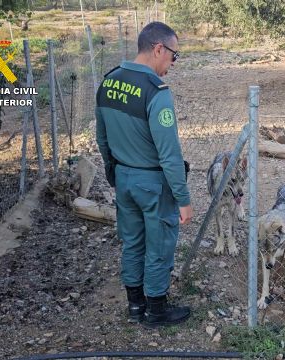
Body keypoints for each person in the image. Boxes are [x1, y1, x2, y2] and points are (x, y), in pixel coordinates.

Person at [95, 21, 193, 328]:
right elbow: (170, 155)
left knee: (133, 242)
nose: (173, 64)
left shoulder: (109, 82)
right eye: (174, 56)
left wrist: (115, 175)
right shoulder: (156, 92)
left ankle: (135, 306)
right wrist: (183, 199)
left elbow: (102, 140)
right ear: (158, 49)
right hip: (153, 183)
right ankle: (156, 310)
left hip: (123, 179)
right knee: (159, 244)